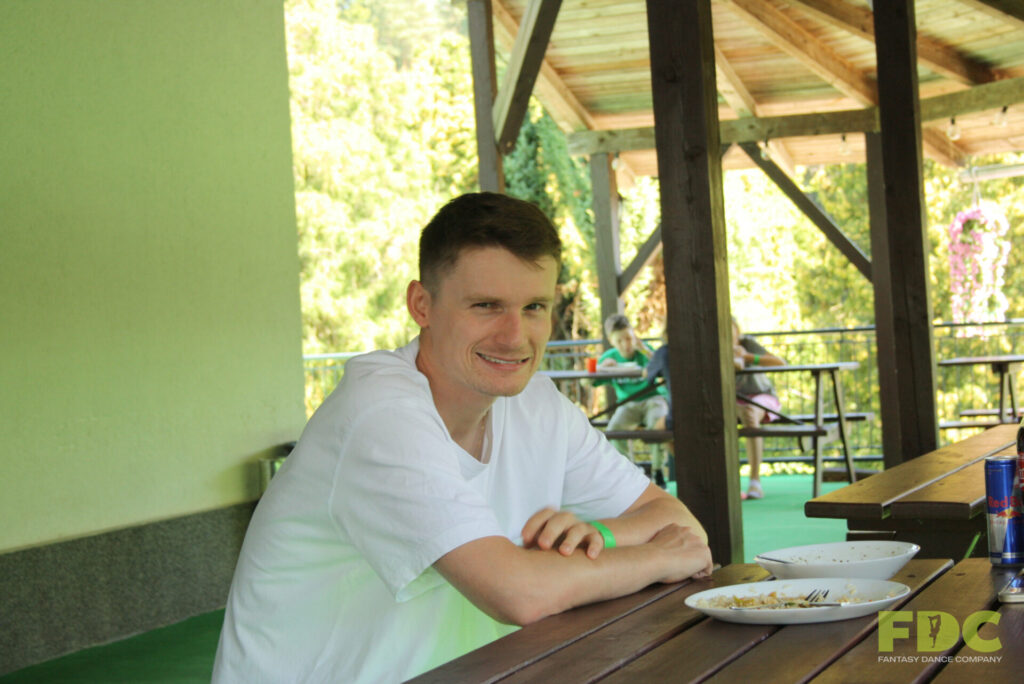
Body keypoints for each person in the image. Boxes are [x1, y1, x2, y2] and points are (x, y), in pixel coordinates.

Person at [211, 192, 712, 683]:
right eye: (486, 305)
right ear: (421, 305)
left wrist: (602, 534)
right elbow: (519, 594)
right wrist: (659, 557)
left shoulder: (537, 405)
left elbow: (679, 523)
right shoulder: (380, 413)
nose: (514, 336)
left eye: (534, 306)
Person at [592, 314, 671, 483]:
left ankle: (658, 471)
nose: (626, 344)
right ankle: (630, 473)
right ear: (612, 341)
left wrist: (645, 351)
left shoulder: (644, 351)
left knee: (658, 428)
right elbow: (588, 382)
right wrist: (601, 368)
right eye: (619, 341)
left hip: (653, 398)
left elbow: (662, 365)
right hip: (628, 403)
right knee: (613, 431)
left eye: (628, 338)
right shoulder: (609, 357)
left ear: (634, 335)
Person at [732, 317, 786, 500]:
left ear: (737, 331)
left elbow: (779, 362)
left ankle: (755, 480)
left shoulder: (747, 344)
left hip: (761, 396)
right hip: (734, 400)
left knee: (750, 413)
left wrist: (747, 357)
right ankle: (730, 483)